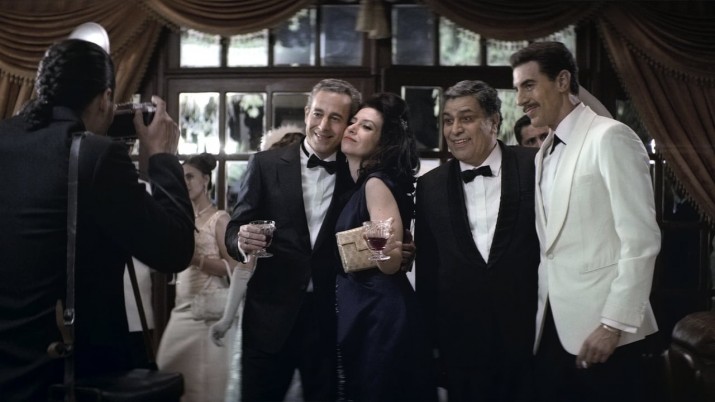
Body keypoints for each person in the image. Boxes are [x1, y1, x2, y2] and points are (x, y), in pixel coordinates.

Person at [0, 38, 194, 401]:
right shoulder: (95, 155)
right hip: (66, 374)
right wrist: (162, 157)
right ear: (106, 98)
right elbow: (175, 249)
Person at [510, 41, 661, 402]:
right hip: (553, 330)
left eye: (529, 85)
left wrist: (613, 324)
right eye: (517, 89)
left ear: (563, 81)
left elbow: (641, 240)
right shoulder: (543, 153)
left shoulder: (610, 136)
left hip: (607, 333)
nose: (520, 99)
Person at [225, 78, 362, 401]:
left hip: (329, 322)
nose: (323, 126)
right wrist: (241, 240)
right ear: (306, 113)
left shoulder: (358, 174)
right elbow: (235, 227)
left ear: (348, 124)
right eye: (318, 114)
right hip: (268, 319)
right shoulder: (265, 164)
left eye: (335, 118)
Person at [415, 80, 539, 402]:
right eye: (447, 120)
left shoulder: (536, 166)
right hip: (462, 345)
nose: (454, 129)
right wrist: (431, 346)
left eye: (466, 118)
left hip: (531, 339)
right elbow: (428, 271)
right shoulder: (428, 186)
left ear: (493, 122)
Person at [336, 92, 437, 401]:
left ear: (383, 142)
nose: (353, 128)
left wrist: (380, 245)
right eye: (354, 121)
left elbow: (391, 261)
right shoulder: (360, 184)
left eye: (366, 126)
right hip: (366, 307)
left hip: (380, 313)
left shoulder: (375, 183)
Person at [156, 152, 239, 402]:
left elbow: (234, 267)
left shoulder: (219, 219)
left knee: (209, 384)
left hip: (209, 312)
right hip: (182, 307)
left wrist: (197, 260)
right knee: (167, 365)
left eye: (190, 177)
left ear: (205, 180)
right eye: (181, 178)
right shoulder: (182, 219)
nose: (185, 183)